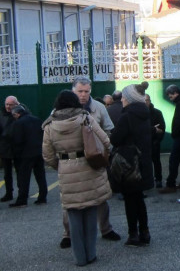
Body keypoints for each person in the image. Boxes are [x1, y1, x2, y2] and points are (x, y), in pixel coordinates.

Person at [43, 90, 112, 266]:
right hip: (89, 167)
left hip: (66, 169)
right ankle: (91, 254)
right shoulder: (85, 118)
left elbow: (48, 155)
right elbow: (105, 140)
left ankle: (79, 257)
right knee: (90, 212)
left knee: (73, 214)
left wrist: (61, 165)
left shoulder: (50, 125)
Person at [58, 76, 120, 247]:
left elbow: (108, 130)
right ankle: (68, 234)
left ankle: (106, 229)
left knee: (101, 197)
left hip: (94, 161)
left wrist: (102, 152)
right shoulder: (60, 111)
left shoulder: (98, 108)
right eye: (80, 91)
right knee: (70, 200)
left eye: (86, 91)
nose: (83, 95)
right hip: (72, 163)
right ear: (73, 90)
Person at [111, 85, 154, 246]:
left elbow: (115, 139)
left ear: (128, 98)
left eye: (123, 97)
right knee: (139, 199)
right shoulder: (144, 114)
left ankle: (133, 234)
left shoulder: (127, 116)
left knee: (130, 200)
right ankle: (145, 231)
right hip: (142, 162)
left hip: (129, 164)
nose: (121, 99)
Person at [10, 105, 48, 207]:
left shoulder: (18, 123)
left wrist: (16, 155)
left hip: (25, 154)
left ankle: (22, 200)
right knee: (40, 175)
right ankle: (42, 197)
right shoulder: (37, 120)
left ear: (17, 114)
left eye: (14, 115)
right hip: (39, 151)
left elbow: (18, 140)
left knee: (24, 177)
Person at [160, 85, 180, 194]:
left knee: (174, 160)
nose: (169, 97)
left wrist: (175, 133)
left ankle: (171, 184)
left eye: (170, 95)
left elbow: (178, 121)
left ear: (175, 93)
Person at [0, 95, 20, 202]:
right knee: (7, 173)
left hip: (16, 146)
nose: (8, 107)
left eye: (11, 105)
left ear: (16, 104)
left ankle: (21, 192)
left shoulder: (20, 113)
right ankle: (9, 192)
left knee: (20, 171)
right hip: (5, 146)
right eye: (7, 104)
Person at [145, 94, 166, 188]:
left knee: (156, 161)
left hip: (154, 142)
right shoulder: (139, 113)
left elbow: (162, 128)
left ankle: (158, 179)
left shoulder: (157, 113)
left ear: (150, 100)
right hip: (143, 142)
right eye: (143, 100)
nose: (145, 102)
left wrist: (157, 140)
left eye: (147, 100)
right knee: (144, 162)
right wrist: (153, 128)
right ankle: (147, 180)